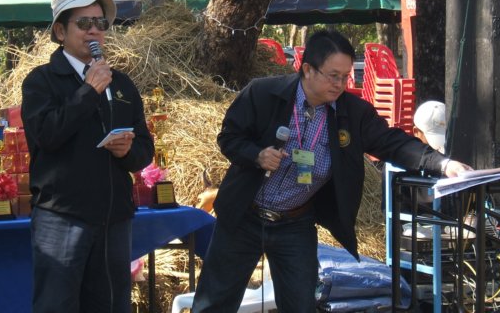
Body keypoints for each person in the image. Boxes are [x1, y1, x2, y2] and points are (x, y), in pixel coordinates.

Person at [191, 29, 471, 313]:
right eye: (333, 75)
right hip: (244, 216)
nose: (340, 84)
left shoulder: (354, 113)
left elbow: (392, 142)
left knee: (301, 306)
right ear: (308, 70)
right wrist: (256, 155)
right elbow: (229, 138)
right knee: (214, 303)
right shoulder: (262, 93)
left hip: (294, 223)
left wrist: (443, 164)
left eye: (346, 76)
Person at [21, 0, 154, 313]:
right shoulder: (41, 81)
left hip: (114, 219)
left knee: (111, 305)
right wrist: (88, 91)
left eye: (100, 23)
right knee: (58, 306)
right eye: (83, 23)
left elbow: (144, 148)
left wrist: (127, 151)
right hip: (62, 217)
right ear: (60, 31)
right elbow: (47, 135)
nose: (94, 30)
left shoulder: (121, 83)